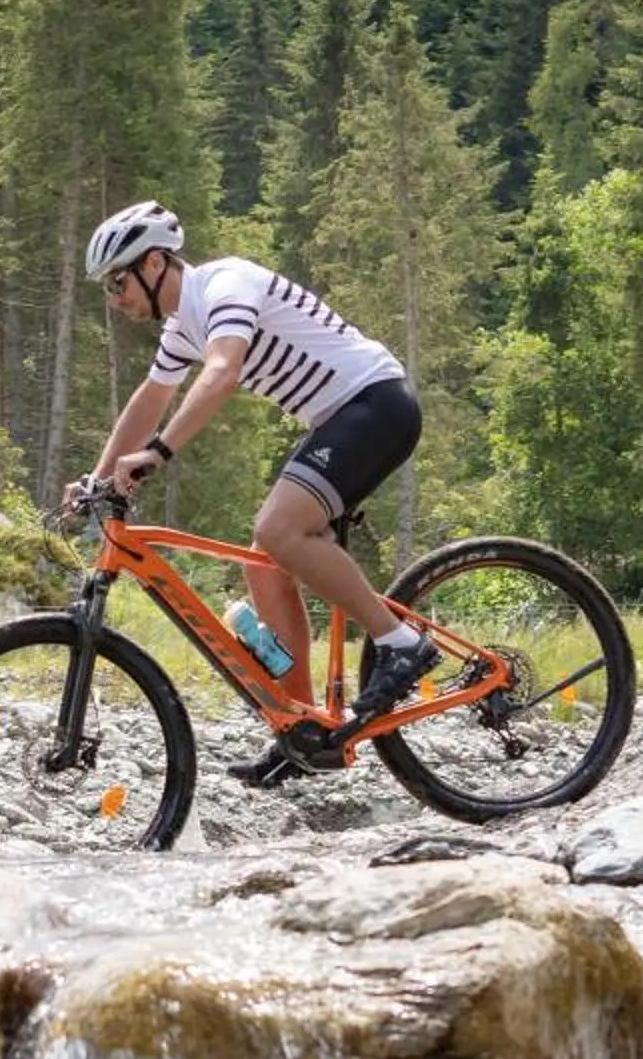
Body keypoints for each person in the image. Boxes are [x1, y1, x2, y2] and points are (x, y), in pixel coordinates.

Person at [71, 202, 439, 786]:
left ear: (156, 263)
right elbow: (150, 398)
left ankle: (400, 643)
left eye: (118, 281)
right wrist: (98, 477)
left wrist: (160, 453)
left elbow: (222, 372)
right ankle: (302, 730)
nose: (114, 297)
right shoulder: (180, 326)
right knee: (263, 566)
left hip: (377, 404)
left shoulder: (226, 283)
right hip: (339, 417)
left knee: (278, 529)